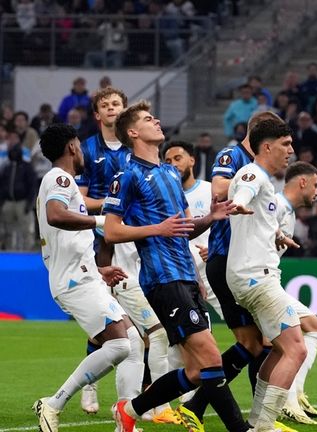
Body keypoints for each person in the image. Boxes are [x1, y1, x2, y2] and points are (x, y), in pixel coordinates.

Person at [103, 101, 252, 432]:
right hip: (162, 279)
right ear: (132, 132)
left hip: (186, 276)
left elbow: (183, 228)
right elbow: (112, 230)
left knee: (199, 371)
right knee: (213, 359)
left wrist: (210, 218)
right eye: (146, 119)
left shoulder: (170, 173)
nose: (156, 121)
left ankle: (130, 410)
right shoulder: (127, 176)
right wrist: (157, 229)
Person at [185, 112, 293, 432]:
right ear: (263, 139)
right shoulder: (234, 156)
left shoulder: (263, 169)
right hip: (229, 258)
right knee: (261, 343)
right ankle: (255, 419)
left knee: (258, 343)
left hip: (241, 260)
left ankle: (199, 406)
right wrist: (246, 185)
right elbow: (218, 190)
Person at [74, 87, 176, 424]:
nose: (113, 109)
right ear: (98, 115)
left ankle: (141, 401)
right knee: (117, 327)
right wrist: (111, 208)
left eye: (117, 103)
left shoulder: (138, 151)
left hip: (137, 241)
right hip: (107, 241)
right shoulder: (89, 150)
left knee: (134, 333)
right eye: (106, 106)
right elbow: (79, 199)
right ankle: (114, 396)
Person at [33, 123, 143, 432]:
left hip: (83, 276)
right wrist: (98, 220)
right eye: (79, 145)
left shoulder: (60, 180)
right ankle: (53, 403)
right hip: (73, 282)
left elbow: (63, 240)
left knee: (133, 341)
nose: (81, 150)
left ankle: (126, 420)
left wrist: (98, 269)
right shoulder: (59, 178)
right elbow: (56, 215)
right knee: (121, 346)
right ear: (71, 147)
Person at [226, 117, 309, 431]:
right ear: (267, 146)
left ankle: (257, 423)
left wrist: (275, 234)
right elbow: (243, 192)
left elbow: (257, 216)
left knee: (274, 349)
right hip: (255, 276)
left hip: (255, 274)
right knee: (297, 348)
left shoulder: (266, 181)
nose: (290, 150)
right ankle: (263, 426)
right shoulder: (252, 173)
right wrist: (239, 203)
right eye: (285, 144)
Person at [273, 161, 317, 423]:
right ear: (302, 182)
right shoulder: (276, 206)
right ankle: (287, 401)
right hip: (258, 282)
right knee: (289, 344)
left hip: (271, 281)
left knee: (314, 327)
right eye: (315, 185)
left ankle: (297, 392)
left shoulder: (289, 212)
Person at [161, 140, 223, 319]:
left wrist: (215, 250)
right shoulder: (162, 197)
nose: (173, 164)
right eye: (168, 161)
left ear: (192, 161)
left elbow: (229, 226)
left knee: (244, 326)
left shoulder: (211, 190)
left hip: (212, 270)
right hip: (180, 274)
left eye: (178, 158)